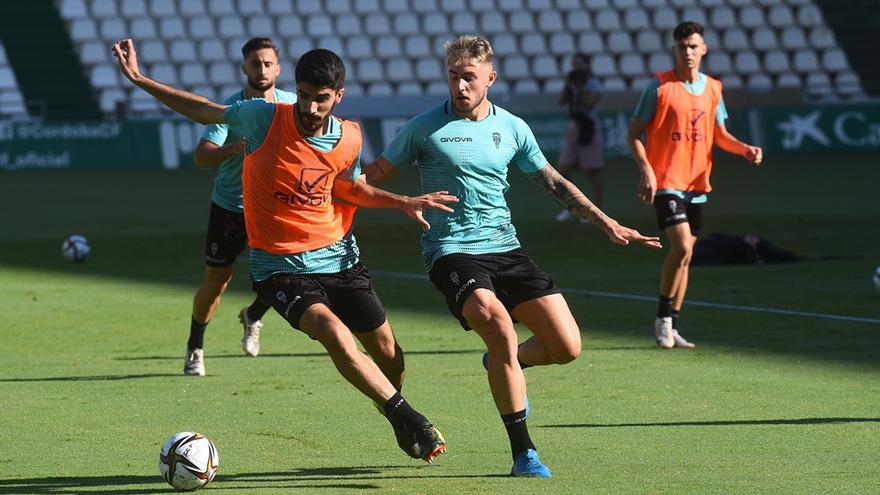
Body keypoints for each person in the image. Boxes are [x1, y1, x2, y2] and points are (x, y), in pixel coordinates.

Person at [112, 39, 453, 462]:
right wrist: (140, 79)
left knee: (388, 352)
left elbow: (349, 188)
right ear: (296, 89)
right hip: (278, 265)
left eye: (321, 100)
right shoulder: (262, 116)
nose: (310, 108)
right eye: (305, 97)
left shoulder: (349, 137)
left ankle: (391, 405)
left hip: (338, 257)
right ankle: (406, 417)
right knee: (332, 332)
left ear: (338, 97)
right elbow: (203, 109)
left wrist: (402, 202)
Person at [365, 35, 661, 478]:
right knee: (499, 327)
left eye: (469, 77)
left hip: (506, 248)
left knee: (567, 347)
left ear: (490, 78)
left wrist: (608, 223)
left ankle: (503, 362)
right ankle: (524, 453)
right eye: (453, 76)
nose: (460, 86)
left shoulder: (514, 128)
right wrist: (402, 200)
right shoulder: (423, 128)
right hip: (451, 252)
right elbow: (367, 179)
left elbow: (556, 183)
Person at [626, 21, 763, 349]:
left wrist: (745, 149)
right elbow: (633, 134)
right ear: (674, 50)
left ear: (704, 49)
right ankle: (662, 317)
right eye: (681, 47)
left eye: (693, 46)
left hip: (698, 183)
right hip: (667, 182)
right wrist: (646, 171)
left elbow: (720, 135)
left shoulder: (714, 88)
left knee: (686, 256)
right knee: (683, 247)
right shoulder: (659, 87)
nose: (687, 52)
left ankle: (672, 323)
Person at [185, 37, 297, 377]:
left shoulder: (291, 106)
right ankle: (195, 347)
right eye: (255, 63)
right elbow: (202, 157)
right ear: (243, 67)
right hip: (231, 207)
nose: (261, 69)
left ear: (277, 68)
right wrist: (234, 148)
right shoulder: (230, 111)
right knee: (216, 283)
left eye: (267, 63)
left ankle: (254, 315)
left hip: (273, 207)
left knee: (290, 275)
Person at [555, 53, 605, 221]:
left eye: (579, 65)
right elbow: (560, 101)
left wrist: (579, 87)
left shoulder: (593, 83)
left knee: (592, 171)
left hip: (588, 126)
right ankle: (571, 207)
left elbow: (588, 103)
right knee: (562, 169)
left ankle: (596, 211)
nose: (576, 68)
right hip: (575, 124)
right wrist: (570, 86)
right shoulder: (572, 83)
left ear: (588, 65)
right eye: (574, 65)